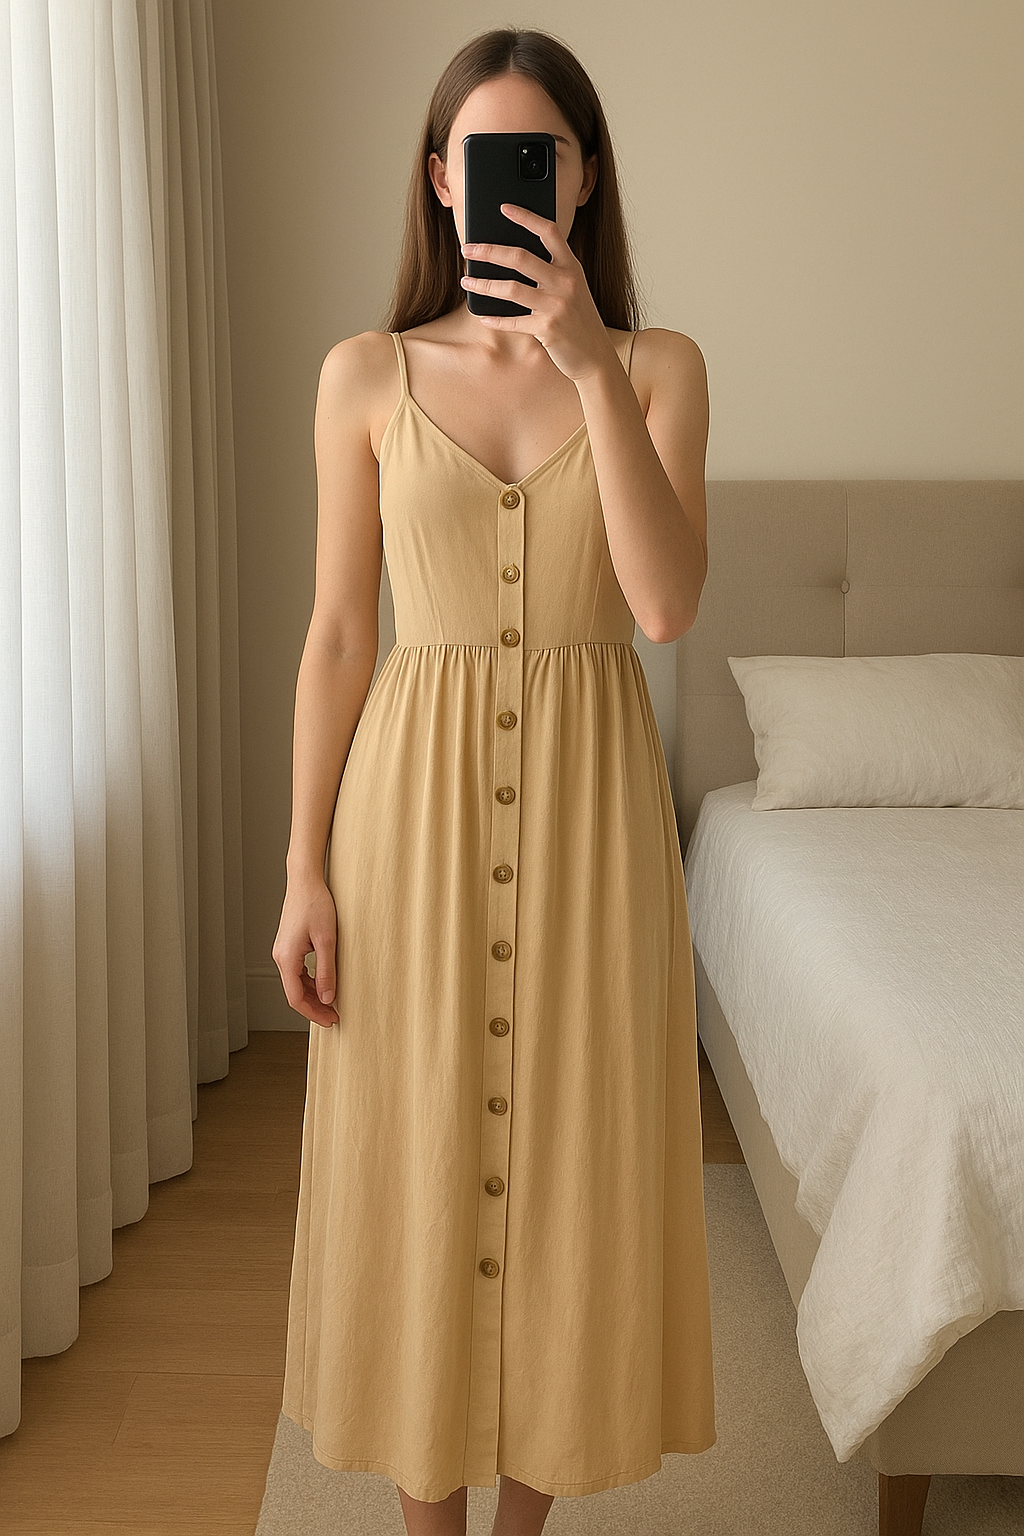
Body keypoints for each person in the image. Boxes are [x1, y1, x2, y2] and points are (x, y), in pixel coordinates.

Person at [272, 26, 715, 1536]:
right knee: (416, 1167)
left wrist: (588, 365)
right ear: (441, 179)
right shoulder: (362, 377)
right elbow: (339, 636)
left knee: (569, 1179)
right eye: (484, 158)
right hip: (407, 821)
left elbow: (662, 609)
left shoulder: (659, 370)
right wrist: (303, 867)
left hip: (596, 822)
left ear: (584, 183)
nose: (512, 186)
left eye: (545, 156)